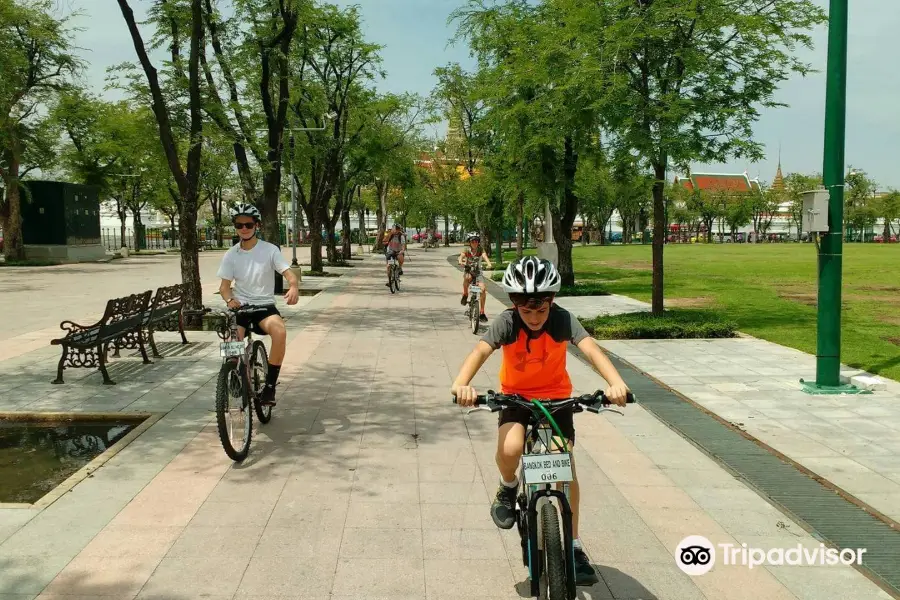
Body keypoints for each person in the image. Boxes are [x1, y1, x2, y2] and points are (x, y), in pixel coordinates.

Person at [450, 256, 630, 586]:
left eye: (541, 310)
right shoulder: (506, 322)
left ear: (551, 302)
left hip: (557, 399)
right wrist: (462, 383)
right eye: (527, 311)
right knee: (512, 447)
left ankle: (574, 546)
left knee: (565, 462)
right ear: (516, 305)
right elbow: (480, 350)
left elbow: (591, 349)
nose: (534, 318)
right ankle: (507, 487)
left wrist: (615, 383)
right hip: (516, 398)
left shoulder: (562, 320)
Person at [216, 203, 300, 406]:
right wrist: (229, 299)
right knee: (230, 343)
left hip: (264, 307)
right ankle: (234, 373)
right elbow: (224, 287)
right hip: (241, 308)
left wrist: (294, 286)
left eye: (248, 224)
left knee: (280, 332)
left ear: (257, 225)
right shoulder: (231, 254)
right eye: (239, 225)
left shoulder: (269, 250)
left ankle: (270, 388)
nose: (243, 229)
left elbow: (288, 273)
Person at [458, 233, 492, 322]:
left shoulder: (480, 249)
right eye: (472, 241)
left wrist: (489, 264)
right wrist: (461, 261)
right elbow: (461, 255)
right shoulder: (467, 249)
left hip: (478, 272)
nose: (474, 243)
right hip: (468, 269)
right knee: (467, 278)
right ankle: (465, 294)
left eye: (476, 241)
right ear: (470, 242)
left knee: (483, 289)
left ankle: (482, 312)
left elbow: (484, 256)